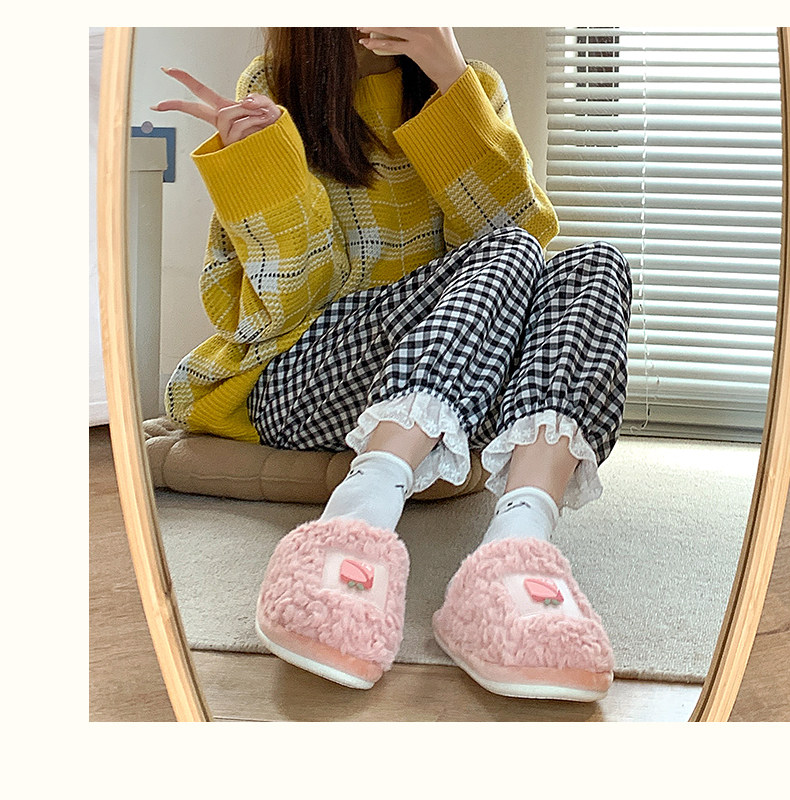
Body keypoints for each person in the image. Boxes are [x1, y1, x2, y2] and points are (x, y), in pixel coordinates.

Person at [153, 27, 632, 702]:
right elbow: (286, 307)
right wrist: (261, 164)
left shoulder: (470, 85)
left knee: (595, 264)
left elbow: (520, 244)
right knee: (510, 250)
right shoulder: (273, 87)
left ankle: (515, 551)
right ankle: (357, 521)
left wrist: (450, 79)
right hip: (301, 374)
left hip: (451, 375)